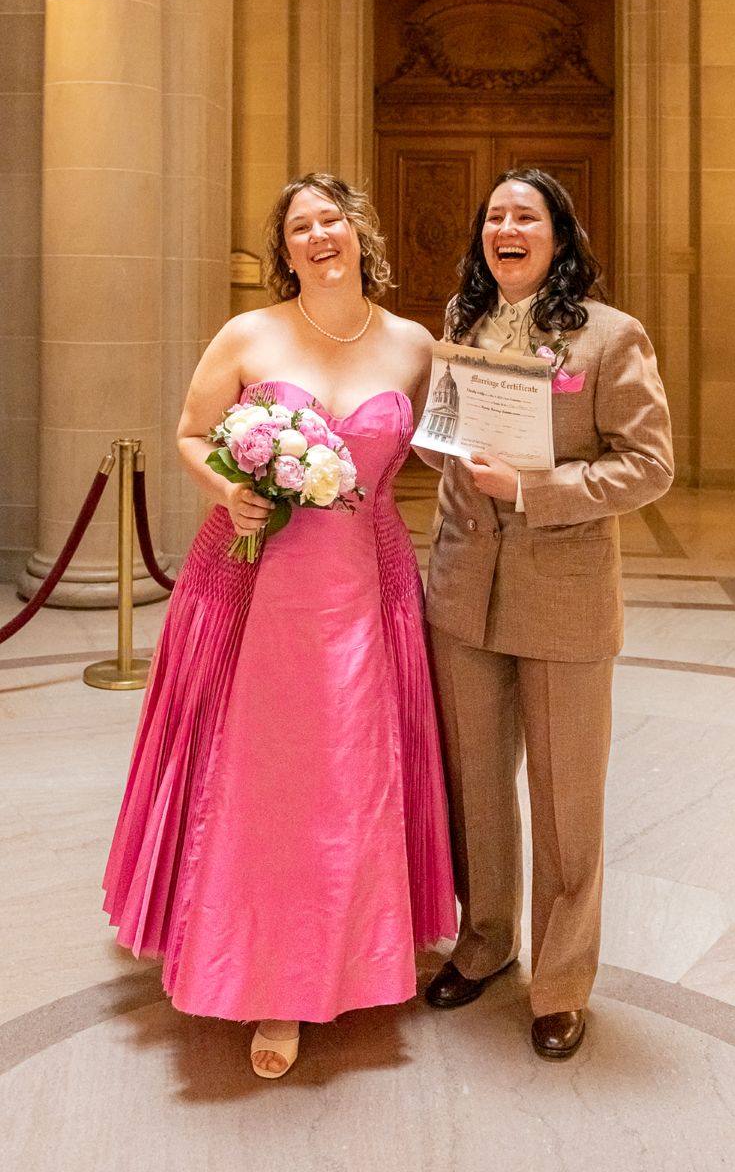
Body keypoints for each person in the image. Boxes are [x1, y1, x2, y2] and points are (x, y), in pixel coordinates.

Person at [103, 172, 456, 1079]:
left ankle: (353, 956)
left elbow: (469, 432)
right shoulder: (248, 334)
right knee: (262, 777)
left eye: (332, 219)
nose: (319, 235)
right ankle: (264, 979)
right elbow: (189, 431)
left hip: (363, 585)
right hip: (253, 581)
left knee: (350, 779)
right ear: (285, 248)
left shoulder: (416, 344)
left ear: (360, 231)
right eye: (301, 227)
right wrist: (230, 489)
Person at [420, 168, 673, 1059]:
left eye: (526, 215)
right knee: (476, 787)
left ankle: (561, 982)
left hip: (563, 601)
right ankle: (485, 941)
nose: (507, 228)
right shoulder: (461, 324)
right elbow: (451, 448)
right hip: (461, 596)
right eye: (494, 215)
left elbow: (648, 465)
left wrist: (536, 491)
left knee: (568, 801)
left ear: (559, 236)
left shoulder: (611, 338)